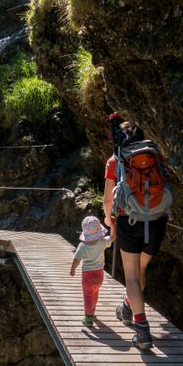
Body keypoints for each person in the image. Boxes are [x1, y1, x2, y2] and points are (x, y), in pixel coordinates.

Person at [102, 120, 169, 350]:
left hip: (129, 221)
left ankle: (142, 330)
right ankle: (128, 307)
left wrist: (109, 220)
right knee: (141, 270)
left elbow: (108, 200)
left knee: (131, 276)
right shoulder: (154, 154)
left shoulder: (116, 160)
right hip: (157, 220)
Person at [69, 216, 114, 327]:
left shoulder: (82, 246)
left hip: (87, 275)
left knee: (87, 296)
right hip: (99, 274)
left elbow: (76, 259)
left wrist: (72, 269)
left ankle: (88, 318)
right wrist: (114, 224)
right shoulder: (102, 242)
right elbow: (113, 237)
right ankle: (92, 312)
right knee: (95, 293)